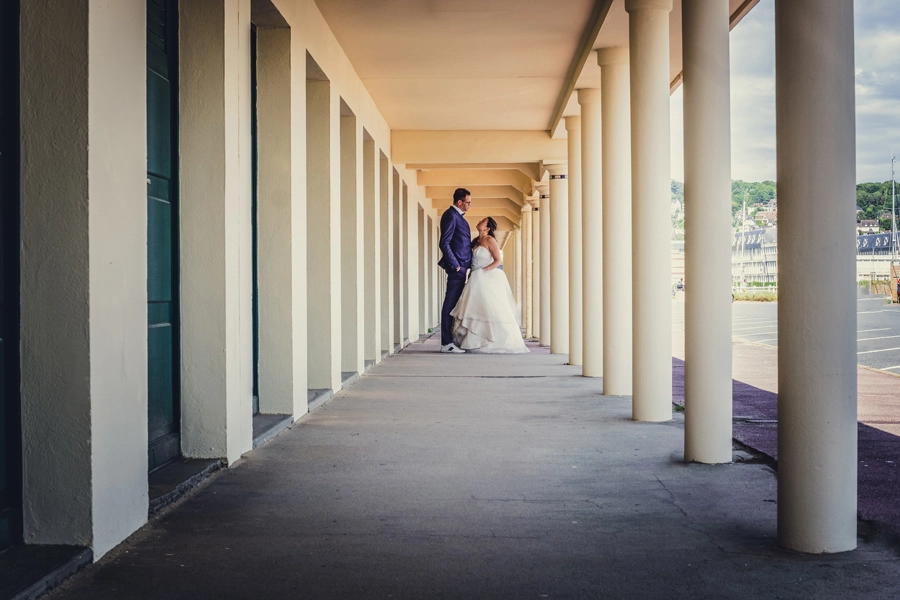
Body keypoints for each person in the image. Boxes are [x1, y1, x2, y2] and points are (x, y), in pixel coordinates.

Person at [450, 217, 528, 354]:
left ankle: (492, 340)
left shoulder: (490, 240)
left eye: (483, 221)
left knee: (489, 307)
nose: (479, 221)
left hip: (486, 277)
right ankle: (474, 339)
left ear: (487, 228)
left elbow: (498, 260)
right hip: (474, 278)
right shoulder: (476, 241)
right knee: (475, 307)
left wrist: (483, 271)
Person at [437, 188, 473, 353]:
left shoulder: (458, 217)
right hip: (457, 267)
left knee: (454, 304)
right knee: (450, 303)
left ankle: (450, 340)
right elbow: (444, 242)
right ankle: (446, 343)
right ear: (459, 202)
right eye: (468, 202)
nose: (469, 206)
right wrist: (456, 265)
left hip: (462, 266)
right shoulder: (451, 215)